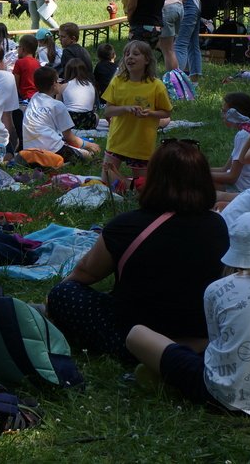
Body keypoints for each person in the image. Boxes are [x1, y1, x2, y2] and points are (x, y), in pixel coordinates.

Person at [48, 141, 229, 361]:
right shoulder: (219, 226)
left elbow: (85, 274)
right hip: (200, 337)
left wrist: (53, 303)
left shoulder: (126, 226)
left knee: (63, 294)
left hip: (134, 338)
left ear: (153, 179)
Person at [127, 212, 250, 416]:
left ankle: (167, 375)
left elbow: (216, 345)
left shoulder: (216, 289)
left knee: (136, 334)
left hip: (219, 396)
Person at [101, 39, 171, 190]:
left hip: (141, 143)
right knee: (106, 182)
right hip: (117, 139)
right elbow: (107, 111)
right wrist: (125, 108)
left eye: (135, 54)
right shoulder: (117, 82)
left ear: (147, 60)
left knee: (143, 188)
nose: (129, 57)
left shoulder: (156, 85)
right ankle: (126, 186)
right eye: (126, 54)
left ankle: (128, 185)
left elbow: (166, 112)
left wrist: (150, 114)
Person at [23, 67, 100, 162]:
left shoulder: (34, 99)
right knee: (87, 155)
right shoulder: (57, 105)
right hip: (52, 149)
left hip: (29, 149)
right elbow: (70, 138)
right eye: (59, 81)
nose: (60, 83)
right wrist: (89, 145)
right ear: (54, 85)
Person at [210, 92, 250, 198]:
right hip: (246, 186)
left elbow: (232, 177)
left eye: (225, 112)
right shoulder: (246, 132)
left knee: (197, 185)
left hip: (245, 189)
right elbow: (224, 169)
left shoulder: (244, 135)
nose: (223, 115)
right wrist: (197, 170)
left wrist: (198, 175)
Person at [61, 58, 98, 130]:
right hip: (88, 120)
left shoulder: (63, 86)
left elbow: (58, 106)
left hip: (69, 121)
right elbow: (92, 107)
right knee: (96, 116)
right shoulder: (91, 86)